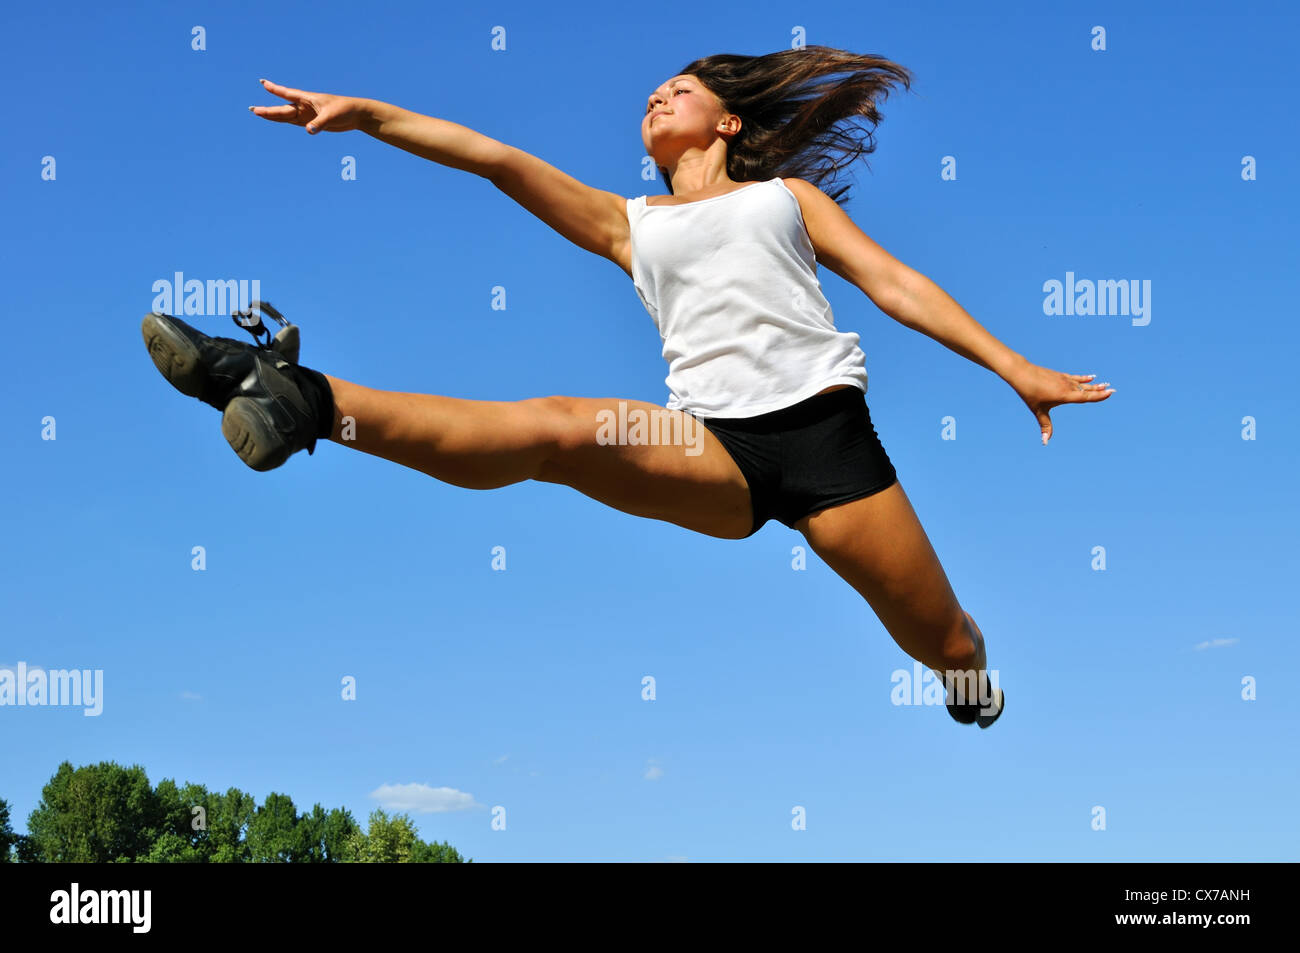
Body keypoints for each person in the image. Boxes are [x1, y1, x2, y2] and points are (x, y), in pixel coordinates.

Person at [141, 46, 1116, 728]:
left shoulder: (788, 200)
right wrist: (369, 116)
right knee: (559, 431)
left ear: (727, 120)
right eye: (650, 92)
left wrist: (1015, 367)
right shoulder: (629, 223)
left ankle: (971, 679)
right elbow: (500, 163)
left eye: (678, 89)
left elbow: (896, 283)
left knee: (940, 637)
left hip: (828, 443)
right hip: (713, 446)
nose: (655, 96)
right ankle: (295, 394)